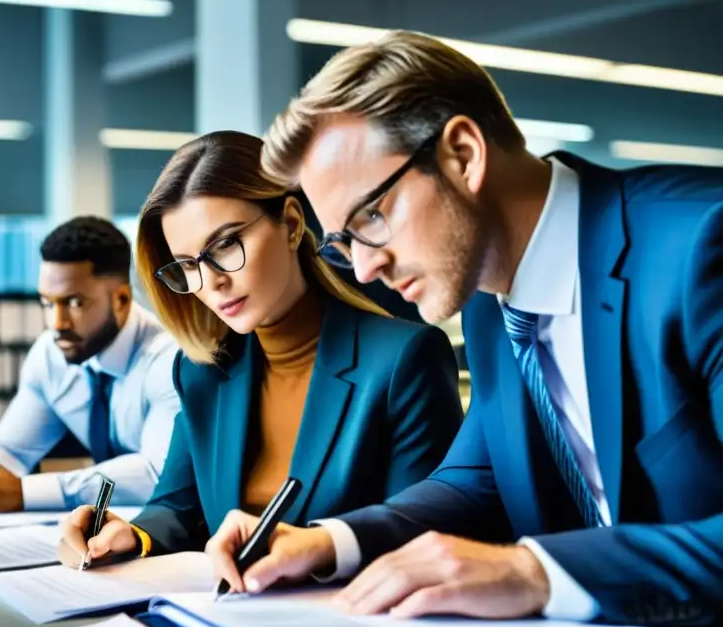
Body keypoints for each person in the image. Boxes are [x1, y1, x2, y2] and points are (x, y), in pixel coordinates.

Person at [204, 30, 723, 627]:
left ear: (463, 155)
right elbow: (476, 483)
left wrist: (536, 572)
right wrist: (329, 543)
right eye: (345, 242)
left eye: (370, 217)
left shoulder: (701, 248)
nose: (366, 266)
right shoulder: (487, 301)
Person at [58, 130, 463, 566]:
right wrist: (132, 535)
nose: (212, 281)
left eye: (226, 244)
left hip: (347, 617)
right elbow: (175, 508)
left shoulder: (404, 360)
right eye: (189, 264)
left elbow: (419, 532)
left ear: (290, 224)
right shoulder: (204, 371)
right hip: (224, 614)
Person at [0, 216, 181, 511]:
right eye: (47, 303)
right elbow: (11, 450)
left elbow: (156, 474)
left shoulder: (169, 359)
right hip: (104, 529)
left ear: (121, 299)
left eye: (75, 303)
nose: (56, 322)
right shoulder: (50, 354)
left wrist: (27, 492)